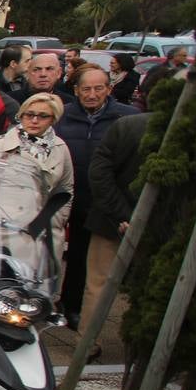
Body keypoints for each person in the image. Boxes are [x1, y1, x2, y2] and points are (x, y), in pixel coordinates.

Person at [55, 64, 138, 329]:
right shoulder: (62, 116)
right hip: (65, 197)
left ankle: (78, 309)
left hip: (101, 202)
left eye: (98, 88)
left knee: (87, 258)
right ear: (76, 91)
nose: (92, 94)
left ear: (109, 89)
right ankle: (63, 302)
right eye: (86, 89)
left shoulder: (126, 118)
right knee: (64, 254)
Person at [0, 93, 74, 292]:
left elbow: (66, 189)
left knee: (36, 290)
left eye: (42, 116)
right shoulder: (0, 145)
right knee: (0, 287)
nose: (34, 120)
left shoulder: (60, 148)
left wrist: (58, 219)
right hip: (4, 229)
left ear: (53, 118)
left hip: (43, 230)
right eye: (29, 114)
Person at [82, 111, 149, 330]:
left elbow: (99, 173)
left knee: (98, 284)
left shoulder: (127, 124)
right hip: (119, 221)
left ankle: (87, 342)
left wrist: (125, 216)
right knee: (145, 286)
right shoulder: (129, 125)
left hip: (114, 219)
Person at [134, 46, 189, 111]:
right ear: (175, 56)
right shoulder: (159, 69)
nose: (186, 58)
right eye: (184, 55)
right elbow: (145, 86)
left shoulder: (184, 70)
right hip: (153, 103)